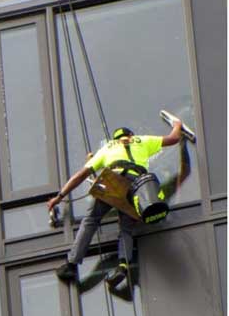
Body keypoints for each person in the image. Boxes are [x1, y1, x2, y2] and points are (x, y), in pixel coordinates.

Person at [48, 119, 183, 288]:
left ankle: (71, 264)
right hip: (136, 187)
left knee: (91, 220)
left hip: (114, 180)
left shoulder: (107, 148)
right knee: (126, 229)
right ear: (130, 135)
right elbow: (174, 139)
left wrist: (59, 197)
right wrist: (177, 125)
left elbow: (79, 176)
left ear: (115, 139)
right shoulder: (142, 140)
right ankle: (123, 266)